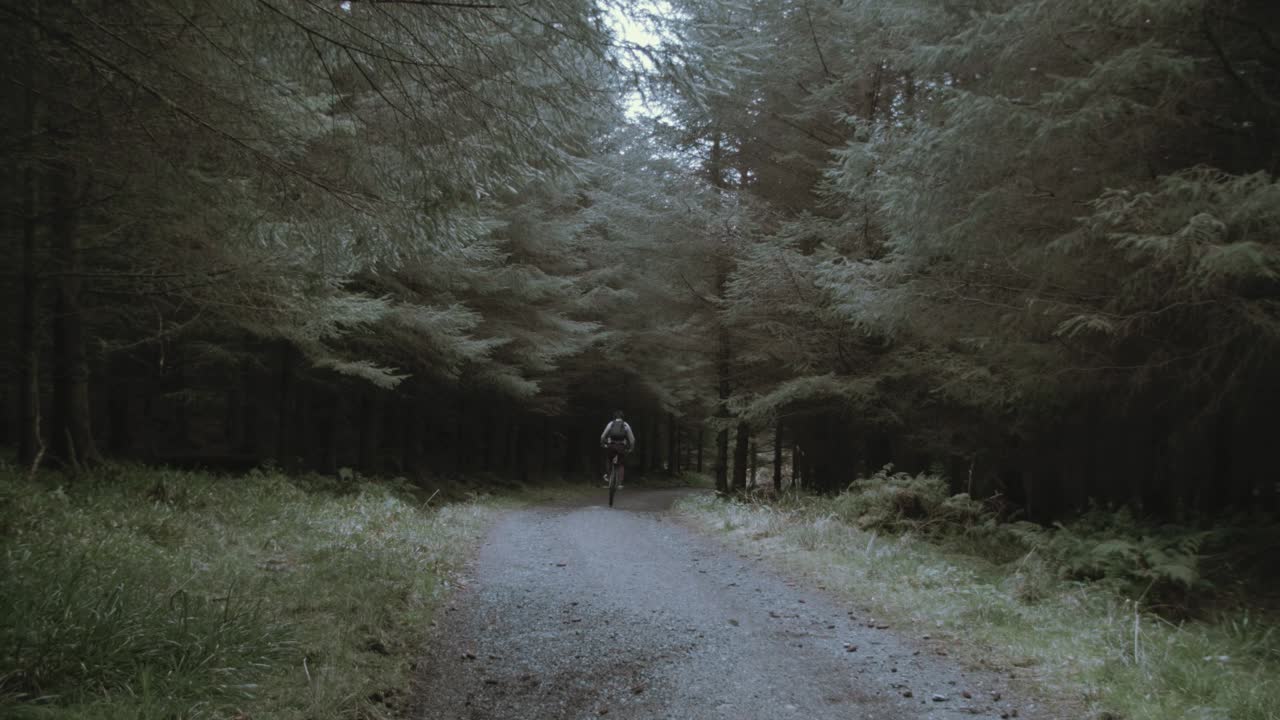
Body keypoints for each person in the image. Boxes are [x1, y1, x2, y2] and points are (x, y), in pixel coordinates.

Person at [599, 410, 635, 486]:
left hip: (611, 446)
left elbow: (602, 436)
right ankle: (620, 483)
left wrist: (603, 444)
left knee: (609, 459)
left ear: (614, 417)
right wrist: (631, 448)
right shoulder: (625, 425)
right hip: (621, 447)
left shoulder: (611, 424)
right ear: (623, 417)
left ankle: (608, 476)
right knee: (621, 463)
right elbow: (632, 440)